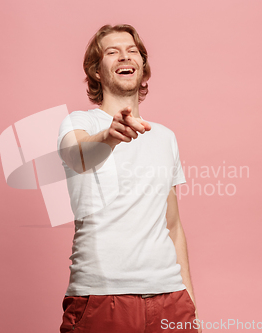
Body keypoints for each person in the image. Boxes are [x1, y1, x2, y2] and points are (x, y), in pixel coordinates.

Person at [57, 24, 200, 333]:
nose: (125, 56)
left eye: (132, 51)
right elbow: (76, 155)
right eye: (113, 52)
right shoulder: (78, 123)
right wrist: (109, 136)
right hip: (101, 298)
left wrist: (190, 300)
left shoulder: (165, 137)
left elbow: (173, 226)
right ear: (97, 71)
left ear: (142, 66)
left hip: (171, 300)